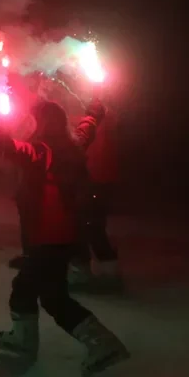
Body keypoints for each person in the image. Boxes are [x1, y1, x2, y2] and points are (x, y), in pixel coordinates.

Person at [0, 99, 128, 374]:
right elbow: (85, 131)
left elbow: (6, 146)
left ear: (41, 123)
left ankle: (102, 343)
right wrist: (93, 114)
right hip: (64, 235)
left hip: (47, 236)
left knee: (52, 297)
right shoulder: (71, 145)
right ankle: (24, 338)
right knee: (28, 288)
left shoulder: (42, 151)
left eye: (31, 119)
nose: (27, 123)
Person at [70, 95, 122, 292]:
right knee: (92, 226)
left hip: (94, 179)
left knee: (85, 226)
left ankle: (88, 273)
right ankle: (108, 272)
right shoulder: (106, 117)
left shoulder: (103, 119)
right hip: (98, 179)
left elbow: (81, 140)